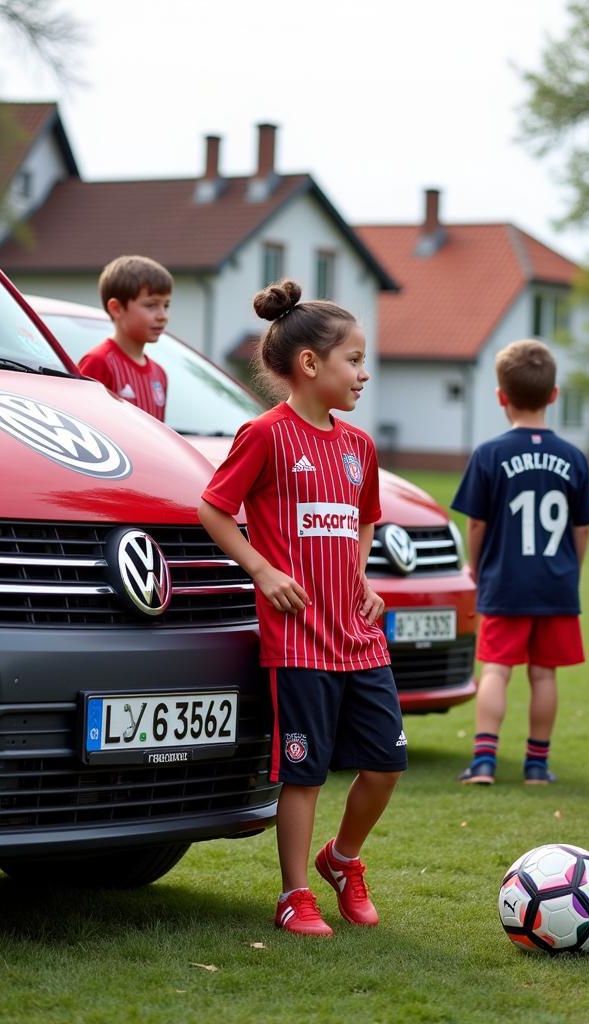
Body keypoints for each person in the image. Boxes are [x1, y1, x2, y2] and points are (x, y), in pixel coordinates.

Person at [198, 279, 406, 937]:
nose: (363, 374)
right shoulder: (264, 436)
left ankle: (342, 860)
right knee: (305, 772)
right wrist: (262, 570)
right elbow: (212, 507)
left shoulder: (358, 448)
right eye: (354, 359)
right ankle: (295, 895)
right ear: (311, 364)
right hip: (298, 641)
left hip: (357, 635)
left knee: (387, 761)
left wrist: (364, 580)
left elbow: (363, 520)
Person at [452, 340, 589, 786]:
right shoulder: (573, 458)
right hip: (555, 584)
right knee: (543, 673)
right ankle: (536, 765)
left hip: (504, 582)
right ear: (553, 395)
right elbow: (582, 529)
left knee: (495, 669)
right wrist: (573, 570)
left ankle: (484, 762)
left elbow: (476, 526)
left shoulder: (489, 454)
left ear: (501, 396)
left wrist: (476, 569)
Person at [77, 254, 171, 421]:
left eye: (166, 305)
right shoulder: (98, 363)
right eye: (151, 305)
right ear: (116, 308)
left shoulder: (160, 374)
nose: (163, 316)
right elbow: (82, 423)